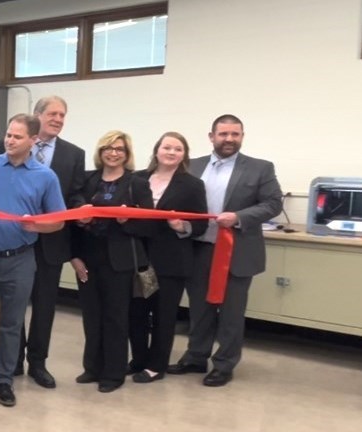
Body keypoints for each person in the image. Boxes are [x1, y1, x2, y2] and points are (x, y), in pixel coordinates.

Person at [170, 115, 282, 387]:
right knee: (199, 309)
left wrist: (239, 217)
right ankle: (195, 357)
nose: (229, 139)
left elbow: (273, 204)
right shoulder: (191, 165)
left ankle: (224, 364)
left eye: (235, 134)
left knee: (231, 312)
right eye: (223, 134)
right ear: (211, 137)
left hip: (237, 251)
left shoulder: (260, 168)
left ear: (242, 136)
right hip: (197, 249)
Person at [0, 115, 65, 408]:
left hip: (20, 260)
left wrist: (39, 226)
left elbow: (57, 221)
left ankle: (3, 379)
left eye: (18, 137)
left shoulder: (46, 176)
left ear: (34, 140)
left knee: (12, 323)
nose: (10, 141)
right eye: (8, 135)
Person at [69, 131, 152, 393]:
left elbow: (149, 224)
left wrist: (129, 221)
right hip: (88, 258)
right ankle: (92, 367)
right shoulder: (88, 179)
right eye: (108, 147)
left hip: (120, 261)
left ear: (127, 155)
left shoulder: (136, 183)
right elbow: (74, 213)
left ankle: (113, 373)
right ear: (100, 151)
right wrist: (75, 256)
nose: (113, 153)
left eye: (119, 149)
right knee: (91, 316)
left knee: (115, 317)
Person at [13, 96, 86, 389]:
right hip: (16, 239)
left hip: (52, 242)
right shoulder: (14, 143)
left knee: (44, 306)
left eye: (63, 115)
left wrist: (82, 209)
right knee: (14, 303)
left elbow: (76, 193)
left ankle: (38, 363)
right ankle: (13, 358)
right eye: (53, 114)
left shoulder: (74, 154)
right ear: (37, 116)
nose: (58, 119)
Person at [130, 132, 208, 383]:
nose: (171, 152)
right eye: (167, 147)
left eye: (178, 149)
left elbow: (200, 225)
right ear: (157, 150)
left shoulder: (193, 185)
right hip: (138, 257)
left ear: (184, 155)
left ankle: (156, 365)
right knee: (137, 313)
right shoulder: (136, 179)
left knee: (163, 316)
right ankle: (139, 359)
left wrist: (181, 226)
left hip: (172, 261)